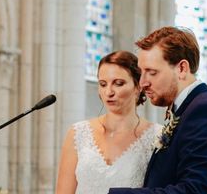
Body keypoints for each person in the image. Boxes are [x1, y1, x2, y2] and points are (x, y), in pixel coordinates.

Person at [109, 26, 207, 193]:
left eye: (152, 72)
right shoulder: (188, 109)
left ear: (182, 68)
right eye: (141, 72)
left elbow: (195, 190)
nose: (143, 83)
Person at [56, 51, 161, 194]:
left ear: (138, 87)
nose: (109, 92)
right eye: (103, 84)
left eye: (118, 83)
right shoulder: (78, 133)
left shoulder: (157, 137)